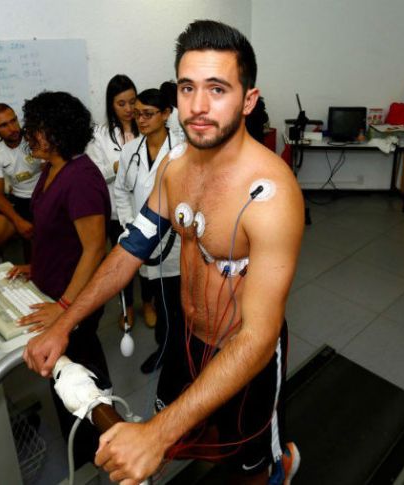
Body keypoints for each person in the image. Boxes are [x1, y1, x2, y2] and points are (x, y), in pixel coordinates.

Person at [22, 20, 304, 485]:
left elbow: (258, 336)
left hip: (244, 351)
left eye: (217, 89)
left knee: (249, 467)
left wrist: (155, 434)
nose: (198, 106)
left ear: (248, 100)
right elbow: (130, 249)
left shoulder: (271, 195)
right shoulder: (175, 168)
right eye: (188, 87)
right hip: (186, 340)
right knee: (183, 434)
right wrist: (64, 322)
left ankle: (281, 465)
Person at [9, 91, 112, 470]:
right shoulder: (50, 168)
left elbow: (94, 249)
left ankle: (98, 447)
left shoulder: (81, 178)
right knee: (62, 371)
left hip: (75, 297)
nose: (29, 136)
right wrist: (35, 267)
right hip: (53, 288)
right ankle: (84, 439)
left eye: (36, 129)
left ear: (59, 132)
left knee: (80, 369)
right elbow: (53, 233)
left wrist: (66, 307)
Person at [114, 88, 184, 374]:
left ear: (166, 114)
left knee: (175, 301)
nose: (140, 120)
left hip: (176, 240)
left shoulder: (183, 150)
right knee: (159, 297)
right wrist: (130, 224)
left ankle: (173, 351)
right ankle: (166, 347)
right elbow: (121, 191)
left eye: (148, 114)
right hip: (143, 237)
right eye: (137, 114)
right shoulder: (130, 151)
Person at [86, 74, 157, 330]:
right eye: (121, 104)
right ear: (111, 105)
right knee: (122, 262)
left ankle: (148, 303)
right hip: (117, 211)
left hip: (148, 207)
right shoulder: (100, 136)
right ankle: (126, 308)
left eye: (132, 101)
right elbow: (94, 173)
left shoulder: (148, 127)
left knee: (148, 259)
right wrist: (117, 167)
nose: (129, 109)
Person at [0, 103, 43, 269]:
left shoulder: (36, 139)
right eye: (4, 125)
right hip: (19, 201)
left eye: (13, 121)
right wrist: (18, 221)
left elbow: (55, 172)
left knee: (36, 246)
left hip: (44, 196)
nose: (12, 128)